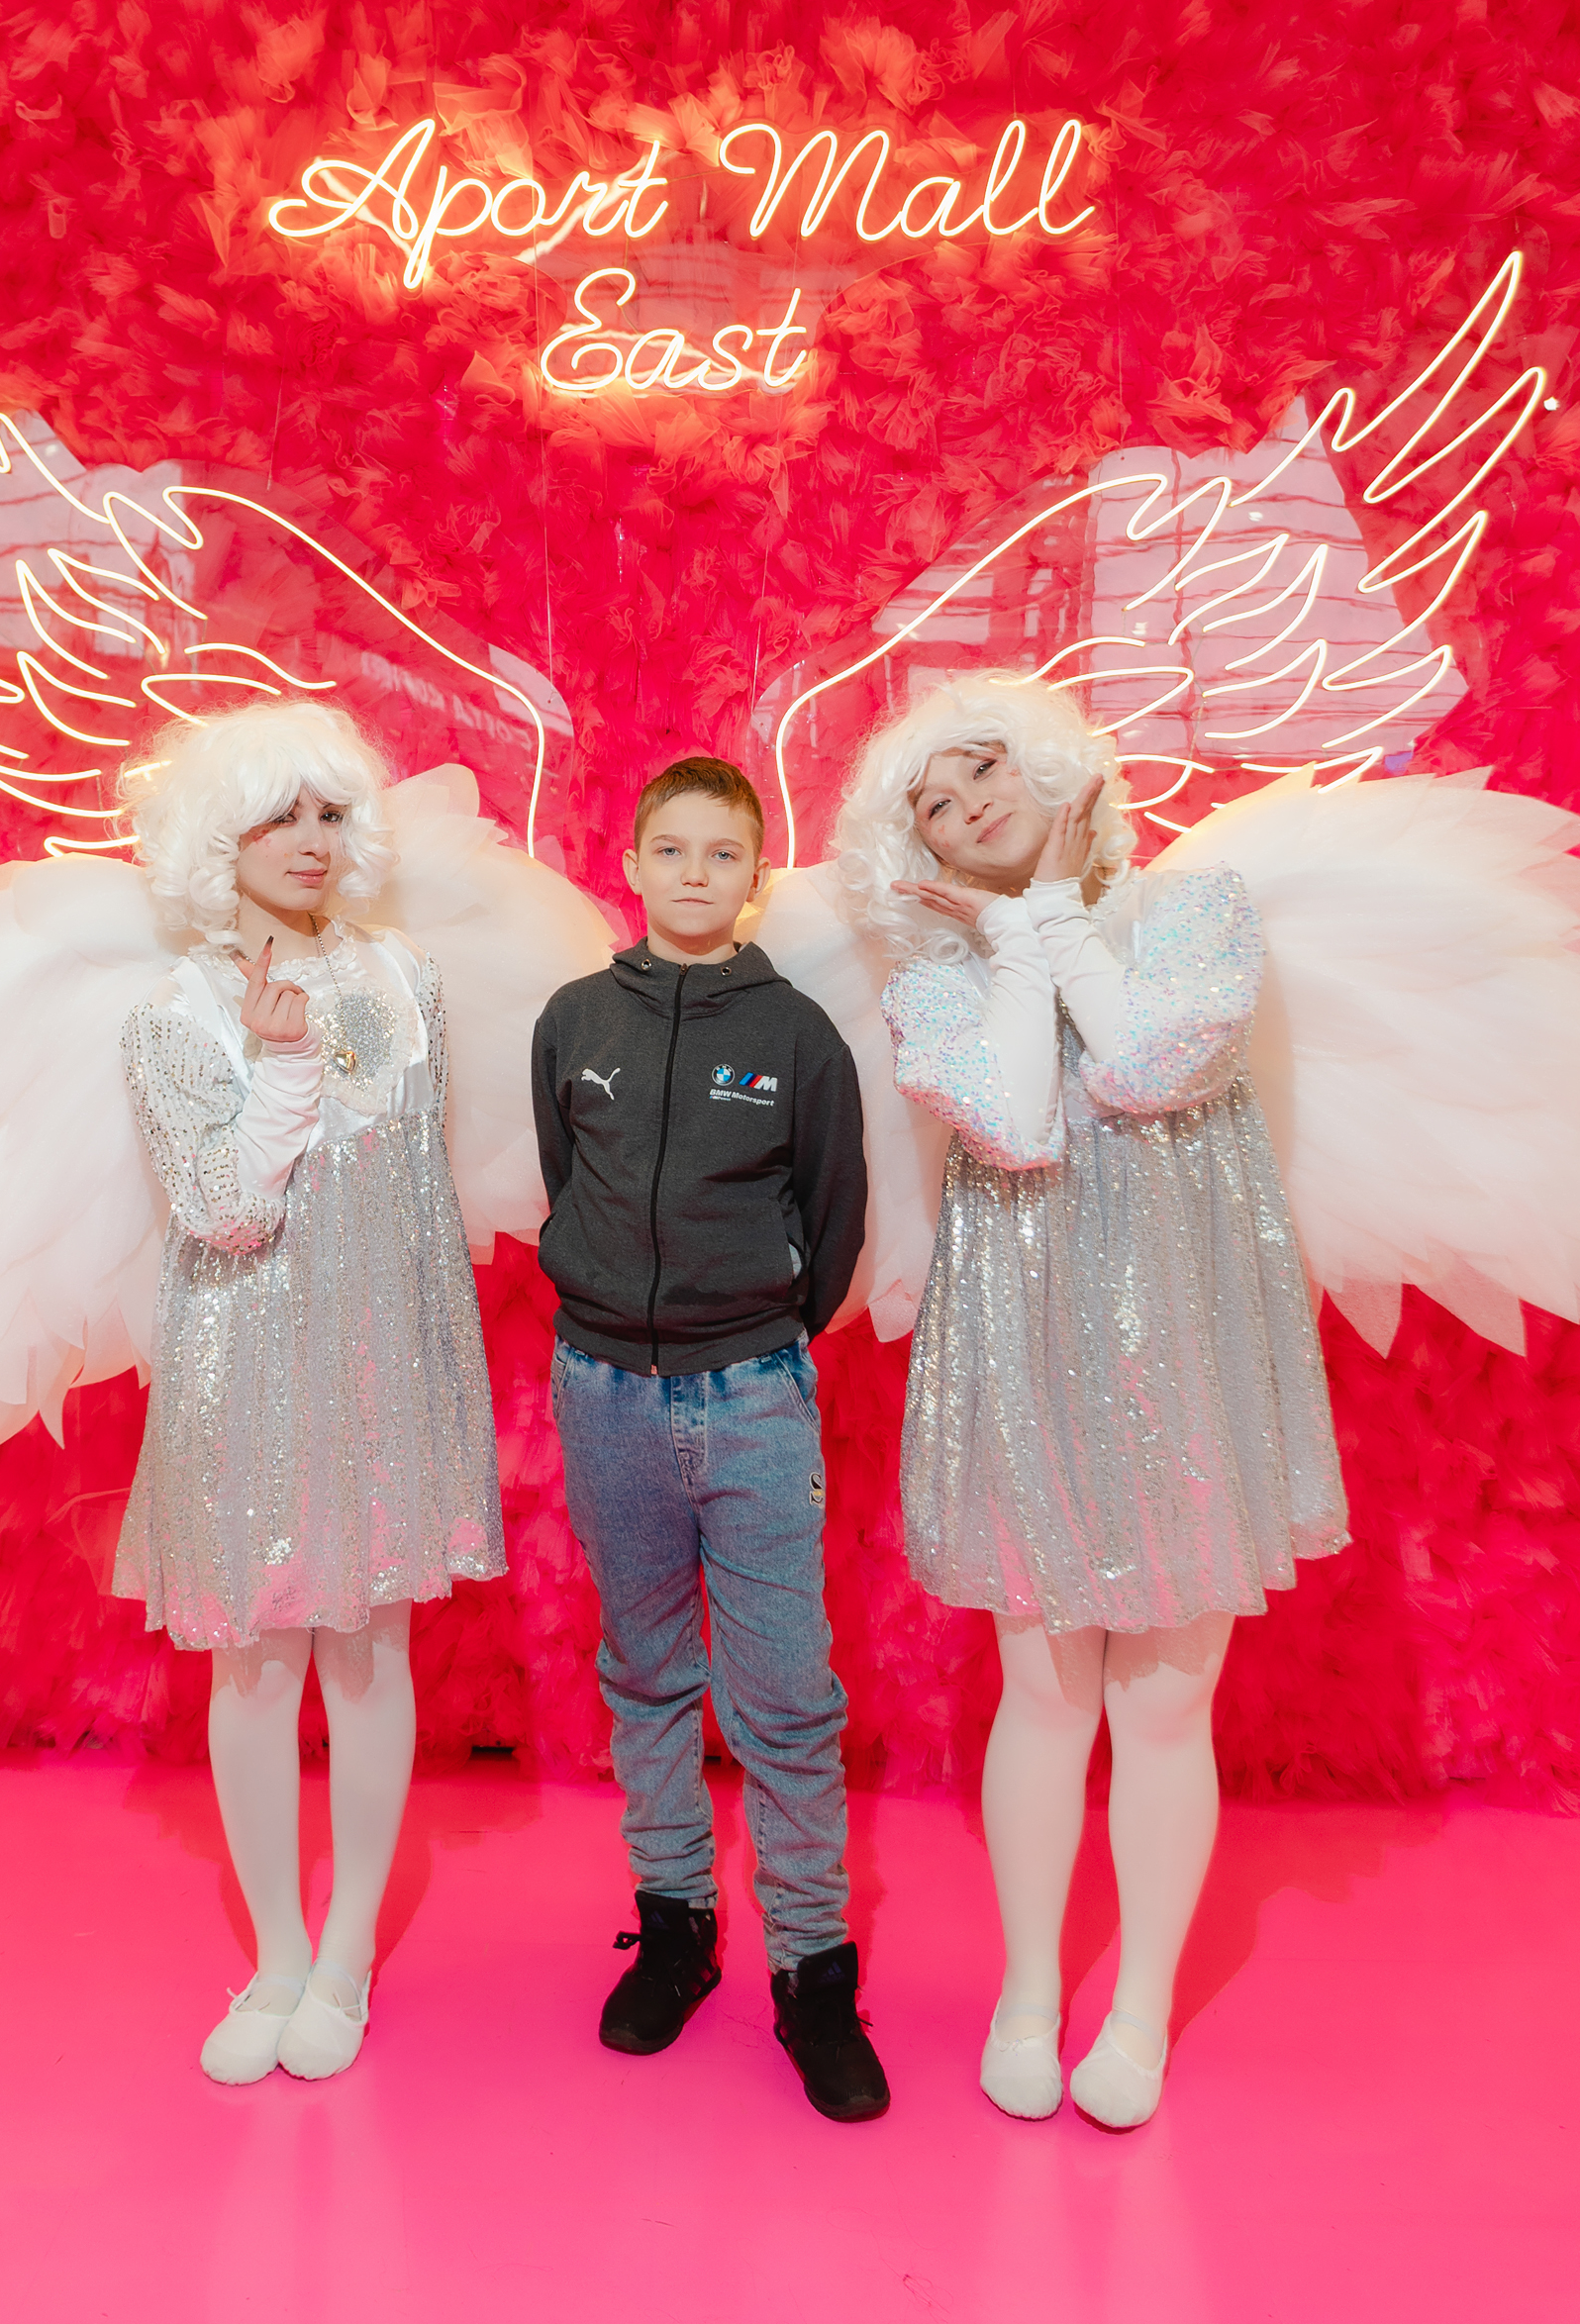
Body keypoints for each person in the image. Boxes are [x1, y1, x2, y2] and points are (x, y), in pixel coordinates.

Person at [834, 676, 1348, 2128]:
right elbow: (1015, 1119)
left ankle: (1139, 2012)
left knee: (1167, 1705)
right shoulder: (938, 984)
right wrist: (1015, 940)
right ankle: (1026, 1992)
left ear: (1053, 765)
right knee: (1046, 1695)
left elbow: (1143, 1066)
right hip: (1029, 1354)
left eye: (986, 768)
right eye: (938, 804)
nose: (970, 805)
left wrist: (1057, 920)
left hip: (1184, 1345)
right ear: (921, 850)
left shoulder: (1196, 911)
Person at [114, 701, 505, 2085]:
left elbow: (416, 1191)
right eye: (278, 816)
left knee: (371, 1653)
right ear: (217, 839)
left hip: (381, 1360)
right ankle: (277, 1956)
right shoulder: (172, 1014)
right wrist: (280, 1067)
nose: (310, 841)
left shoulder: (405, 977)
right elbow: (221, 1212)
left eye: (330, 814)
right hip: (244, 1368)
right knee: (257, 1661)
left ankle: (344, 1958)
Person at [531, 755, 888, 2121]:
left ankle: (813, 1965)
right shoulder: (574, 1020)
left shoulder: (798, 1037)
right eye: (671, 849)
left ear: (755, 876)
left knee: (786, 1694)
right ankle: (675, 1920)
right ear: (631, 865)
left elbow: (834, 1220)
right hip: (604, 1392)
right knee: (646, 1671)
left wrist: (756, 1328)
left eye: (721, 853)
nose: (694, 872)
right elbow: (566, 1181)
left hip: (751, 1396)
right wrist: (613, 1308)